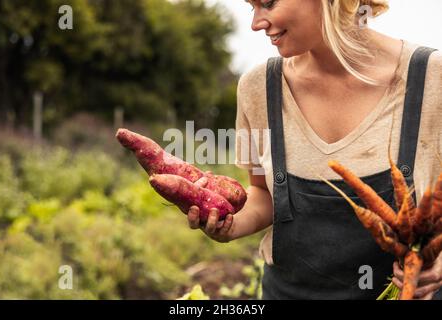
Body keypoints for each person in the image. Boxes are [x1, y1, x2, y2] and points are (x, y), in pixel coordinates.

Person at [187, 0, 442, 299]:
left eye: (268, 3)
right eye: (251, 7)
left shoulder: (431, 79)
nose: (256, 23)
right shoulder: (257, 88)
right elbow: (264, 194)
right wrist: (230, 224)